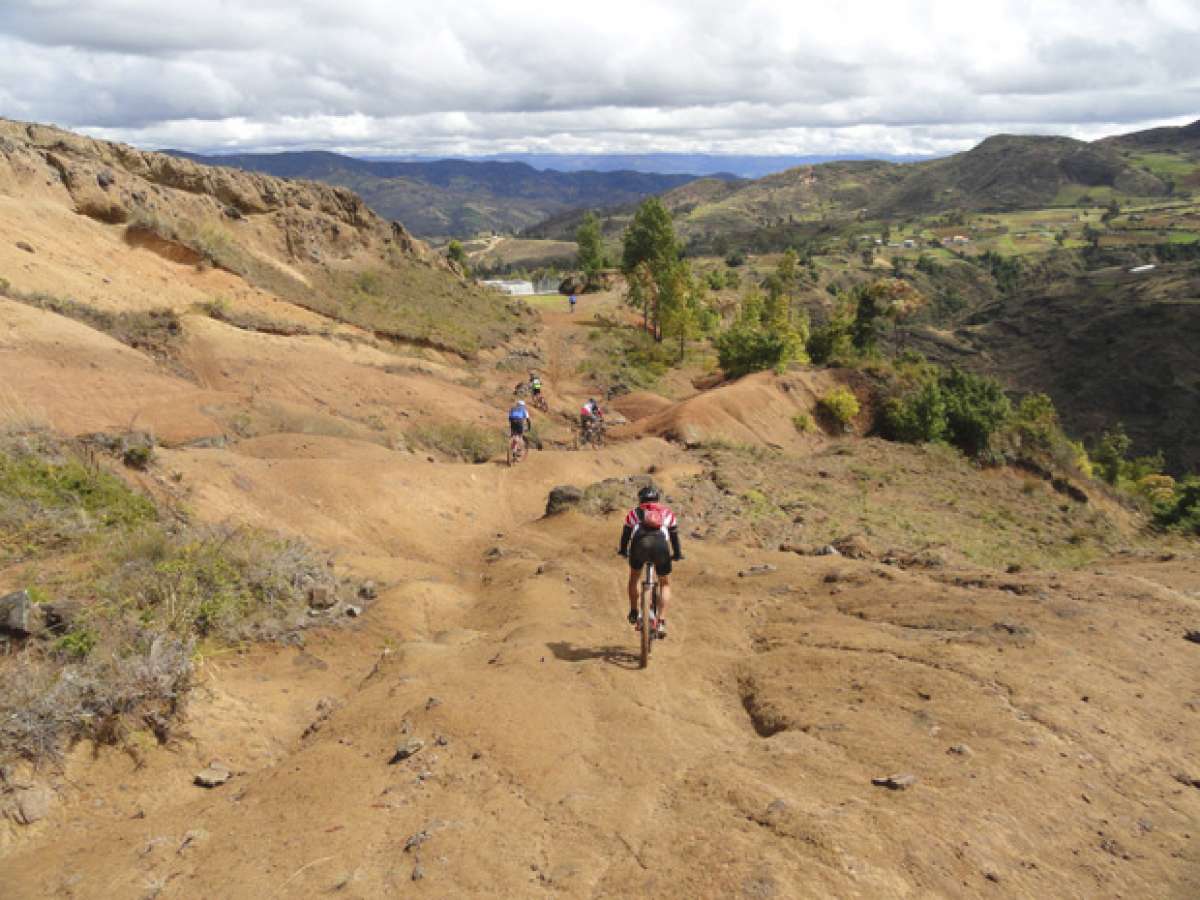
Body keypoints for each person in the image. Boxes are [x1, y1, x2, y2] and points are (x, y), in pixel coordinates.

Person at [617, 484, 683, 639]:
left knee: (634, 578)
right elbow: (674, 537)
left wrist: (623, 550)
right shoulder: (667, 513)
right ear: (657, 499)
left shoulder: (634, 513)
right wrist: (678, 554)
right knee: (664, 583)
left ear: (640, 500)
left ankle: (634, 611)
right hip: (661, 548)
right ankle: (661, 621)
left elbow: (625, 535)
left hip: (639, 546)